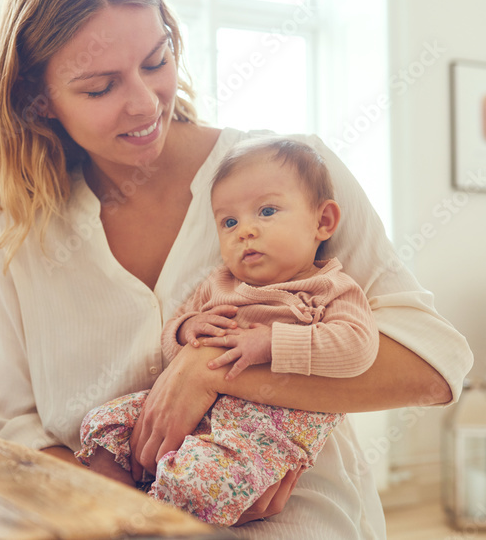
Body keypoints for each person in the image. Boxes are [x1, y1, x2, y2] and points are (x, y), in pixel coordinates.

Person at [0, 0, 472, 537]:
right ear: (39, 104)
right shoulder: (25, 226)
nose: (144, 104)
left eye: (156, 61)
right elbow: (18, 425)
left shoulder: (287, 174)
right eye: (99, 88)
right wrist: (123, 505)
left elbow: (434, 364)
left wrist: (211, 369)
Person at [76, 138, 379, 526]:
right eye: (229, 222)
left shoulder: (330, 287)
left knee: (204, 482)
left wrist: (271, 343)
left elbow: (358, 347)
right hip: (194, 412)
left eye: (267, 211)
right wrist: (187, 329)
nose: (245, 231)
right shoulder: (219, 283)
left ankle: (154, 515)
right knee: (102, 422)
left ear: (322, 222)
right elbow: (172, 341)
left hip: (266, 426)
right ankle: (129, 496)